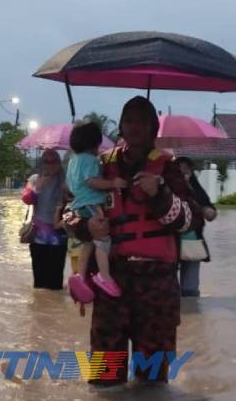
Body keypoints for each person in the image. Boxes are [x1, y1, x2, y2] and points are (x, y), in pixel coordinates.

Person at [83, 96, 201, 385]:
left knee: (153, 384)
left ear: (154, 128)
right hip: (111, 282)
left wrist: (159, 194)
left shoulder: (169, 168)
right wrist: (85, 227)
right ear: (121, 126)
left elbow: (190, 219)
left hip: (157, 286)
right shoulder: (99, 166)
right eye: (129, 121)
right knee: (104, 381)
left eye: (142, 121)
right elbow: (69, 211)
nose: (135, 127)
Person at [64, 121, 125, 304]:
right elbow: (92, 181)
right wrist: (113, 184)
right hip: (92, 204)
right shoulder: (90, 160)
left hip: (78, 205)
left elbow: (71, 186)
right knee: (103, 240)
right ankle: (104, 276)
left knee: (88, 243)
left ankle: (80, 276)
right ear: (93, 144)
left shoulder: (73, 161)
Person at [21, 150, 69, 290]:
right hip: (38, 236)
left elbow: (74, 199)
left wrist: (67, 192)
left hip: (59, 235)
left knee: (55, 283)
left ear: (59, 164)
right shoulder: (34, 179)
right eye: (47, 162)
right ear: (42, 163)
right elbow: (26, 199)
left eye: (54, 161)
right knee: (39, 284)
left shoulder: (66, 180)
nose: (51, 165)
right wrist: (38, 188)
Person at [174, 156, 218, 297]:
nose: (183, 174)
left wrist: (208, 211)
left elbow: (210, 211)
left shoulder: (196, 190)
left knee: (190, 290)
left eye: (187, 171)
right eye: (179, 171)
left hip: (192, 242)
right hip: (169, 244)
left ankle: (192, 309)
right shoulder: (166, 190)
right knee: (168, 287)